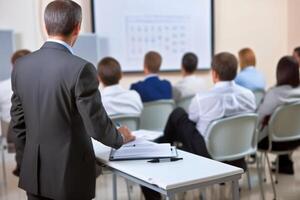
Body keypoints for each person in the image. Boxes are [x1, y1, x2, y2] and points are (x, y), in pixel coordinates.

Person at [10, 1, 135, 200]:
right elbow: (96, 125)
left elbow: (18, 124)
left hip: (34, 173)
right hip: (70, 175)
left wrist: (25, 164)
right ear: (78, 27)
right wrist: (120, 137)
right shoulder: (81, 69)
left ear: (45, 25)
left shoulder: (21, 66)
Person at [142, 52, 256, 200]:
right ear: (235, 72)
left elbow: (191, 120)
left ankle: (159, 147)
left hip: (208, 156)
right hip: (238, 155)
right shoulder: (249, 96)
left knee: (178, 114)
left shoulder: (203, 98)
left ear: (214, 74)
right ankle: (162, 145)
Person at [258, 56, 300, 175]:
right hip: (296, 140)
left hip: (274, 143)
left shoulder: (274, 94)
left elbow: (258, 118)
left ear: (279, 72)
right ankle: (285, 165)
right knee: (287, 124)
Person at [0, 49, 31, 177]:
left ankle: (22, 166)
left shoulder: (2, 86)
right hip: (31, 130)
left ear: (13, 65)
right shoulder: (41, 83)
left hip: (10, 132)